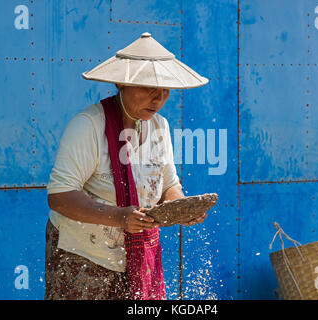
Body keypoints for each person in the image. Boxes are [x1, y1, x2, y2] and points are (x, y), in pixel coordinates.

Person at [44, 32, 209, 300]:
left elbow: (168, 184)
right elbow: (60, 197)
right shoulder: (89, 125)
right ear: (122, 83)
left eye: (165, 90)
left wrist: (181, 208)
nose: (159, 98)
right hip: (82, 257)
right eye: (149, 88)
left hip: (137, 256)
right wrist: (120, 217)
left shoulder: (159, 126)